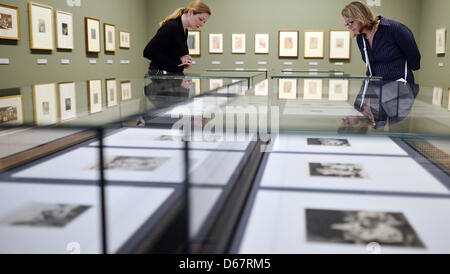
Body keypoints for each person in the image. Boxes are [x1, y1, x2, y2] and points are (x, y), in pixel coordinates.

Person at [341, 1, 421, 89]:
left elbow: (415, 60)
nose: (349, 27)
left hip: (400, 91)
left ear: (361, 17)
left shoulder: (394, 29)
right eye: (347, 24)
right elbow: (370, 67)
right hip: (376, 91)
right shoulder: (360, 38)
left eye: (351, 22)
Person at [143, 1, 211, 75]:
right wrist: (178, 61)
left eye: (204, 22)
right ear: (190, 12)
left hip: (171, 77)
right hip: (161, 77)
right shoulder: (172, 27)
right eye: (200, 19)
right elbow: (148, 52)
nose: (202, 24)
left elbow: (174, 57)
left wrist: (185, 63)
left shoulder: (184, 30)